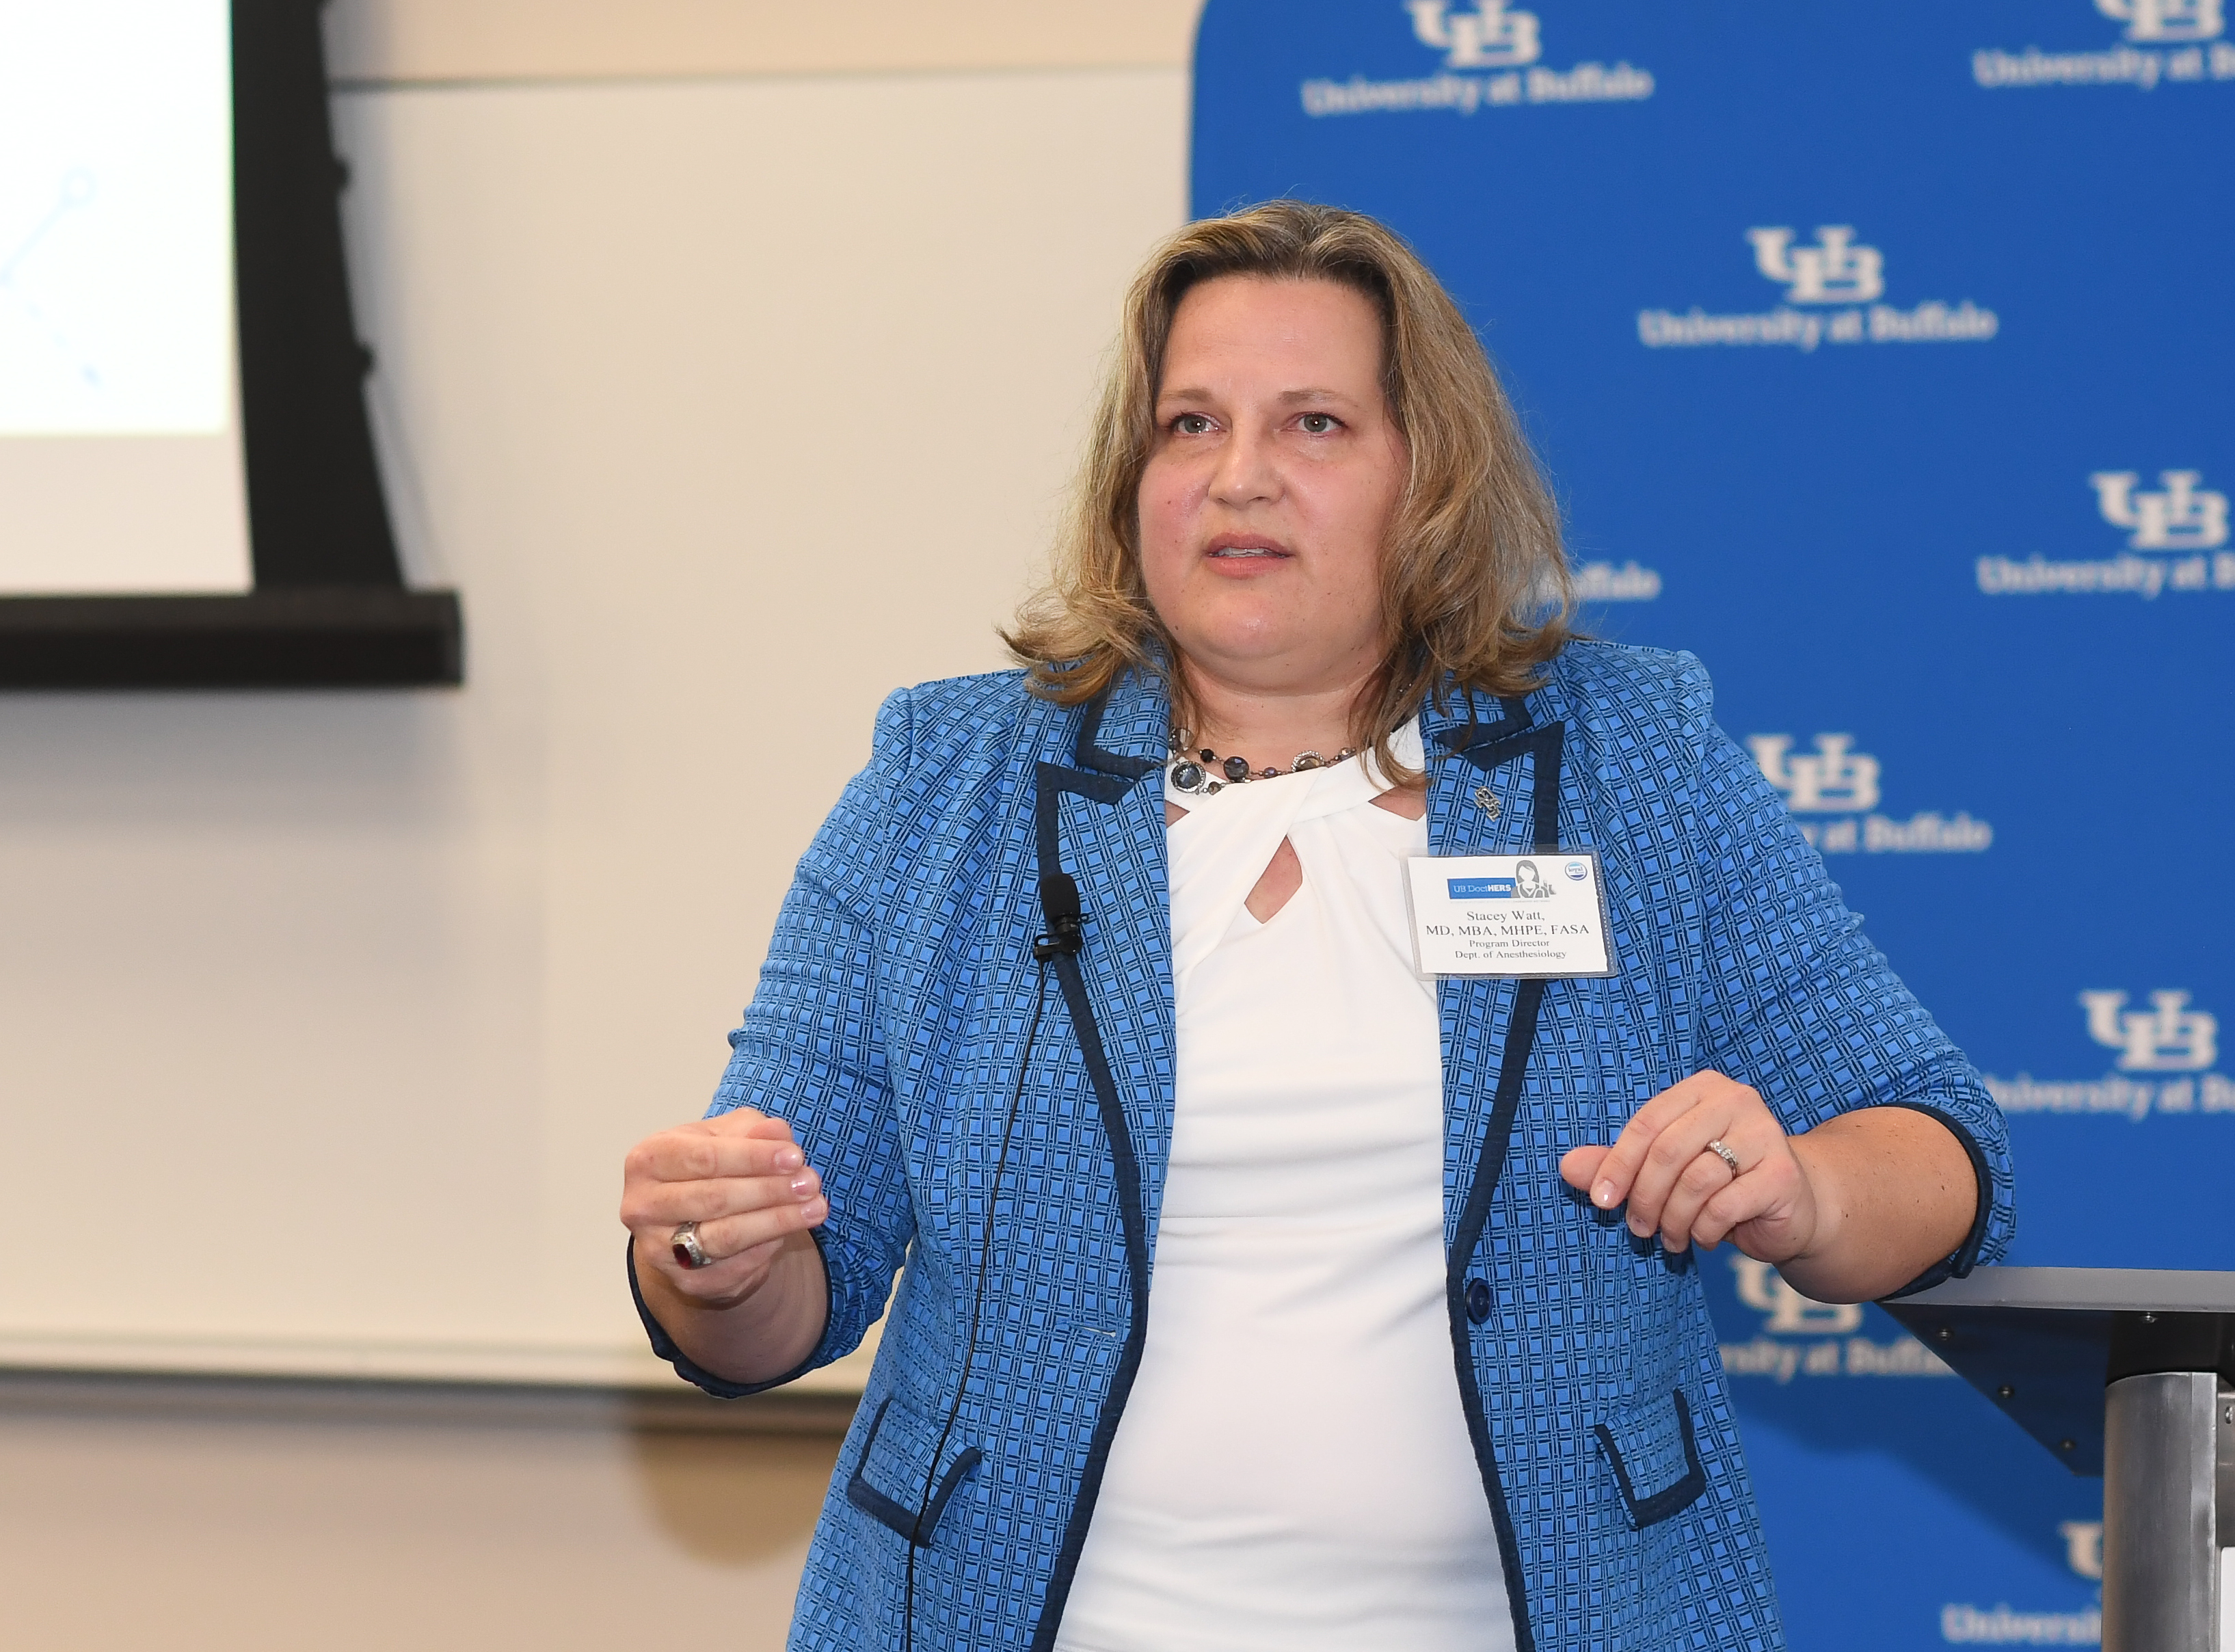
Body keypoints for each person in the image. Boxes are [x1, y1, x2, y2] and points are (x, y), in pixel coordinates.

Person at [619, 201, 2013, 1652]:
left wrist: (1804, 1191)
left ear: (1431, 475)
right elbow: (776, 1299)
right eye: (1191, 425)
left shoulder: (1625, 756)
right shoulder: (947, 780)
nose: (1241, 476)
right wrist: (711, 1251)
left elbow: (1946, 1151)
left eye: (1316, 425)